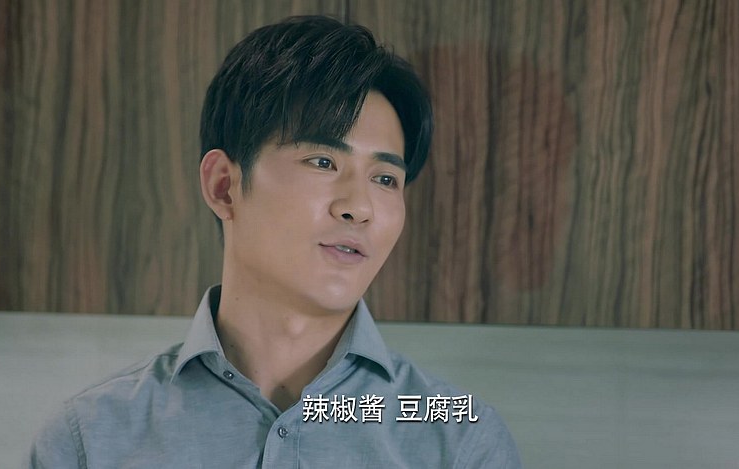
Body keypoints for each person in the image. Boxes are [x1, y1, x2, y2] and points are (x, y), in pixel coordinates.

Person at [27, 15, 522, 468]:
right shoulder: (90, 440)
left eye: (385, 179)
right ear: (224, 186)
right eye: (323, 162)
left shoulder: (461, 443)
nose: (360, 206)